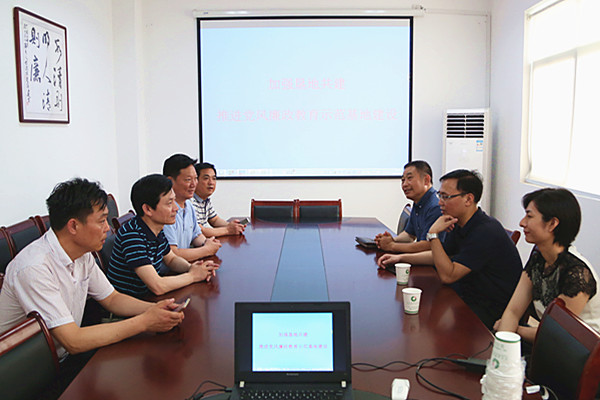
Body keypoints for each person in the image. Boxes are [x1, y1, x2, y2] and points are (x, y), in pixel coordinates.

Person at [0, 178, 184, 361]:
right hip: (35, 369)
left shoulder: (82, 254)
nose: (108, 228)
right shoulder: (34, 268)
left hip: (62, 356)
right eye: (102, 221)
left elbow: (112, 299)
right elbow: (73, 341)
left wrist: (156, 309)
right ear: (73, 226)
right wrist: (145, 322)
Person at [378, 169, 522, 329]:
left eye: (445, 197)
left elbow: (448, 275)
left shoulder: (485, 231)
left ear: (468, 199)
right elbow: (440, 256)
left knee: (423, 323)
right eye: (440, 195)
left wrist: (433, 234)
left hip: (490, 313)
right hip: (465, 296)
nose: (440, 202)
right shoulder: (459, 222)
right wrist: (400, 258)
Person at [495, 188, 600, 341]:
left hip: (584, 350)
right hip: (547, 342)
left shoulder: (577, 274)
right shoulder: (539, 259)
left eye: (529, 216)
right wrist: (503, 343)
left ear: (552, 224)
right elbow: (513, 311)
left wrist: (515, 331)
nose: (522, 223)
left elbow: (556, 335)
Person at [107, 174, 219, 298]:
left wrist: (191, 267)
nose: (176, 208)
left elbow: (171, 259)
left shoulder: (156, 228)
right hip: (132, 303)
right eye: (169, 203)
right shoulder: (132, 235)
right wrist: (193, 276)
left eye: (174, 201)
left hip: (148, 297)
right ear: (148, 209)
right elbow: (157, 286)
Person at [374, 160, 445, 254]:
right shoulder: (418, 201)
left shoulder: (435, 206)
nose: (405, 184)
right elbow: (409, 235)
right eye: (403, 180)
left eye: (409, 178)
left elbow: (427, 245)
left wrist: (392, 246)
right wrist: (391, 240)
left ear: (426, 180)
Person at [162, 154, 221, 262]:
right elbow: (173, 253)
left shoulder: (188, 205)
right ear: (170, 181)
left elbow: (196, 235)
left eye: (195, 179)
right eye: (188, 180)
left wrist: (207, 243)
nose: (194, 184)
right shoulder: (165, 211)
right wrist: (206, 250)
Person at [191, 162, 245, 237]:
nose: (211, 182)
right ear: (195, 181)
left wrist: (232, 225)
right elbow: (200, 231)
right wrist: (228, 230)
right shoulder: (190, 202)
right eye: (206, 178)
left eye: (214, 178)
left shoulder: (205, 200)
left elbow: (214, 220)